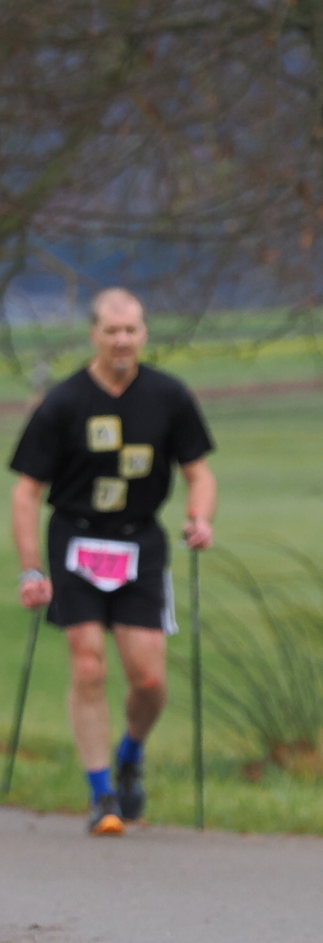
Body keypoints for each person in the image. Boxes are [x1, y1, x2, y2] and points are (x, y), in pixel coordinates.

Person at [9, 288, 216, 835]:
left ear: (144, 334)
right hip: (77, 541)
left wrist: (199, 517)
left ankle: (130, 755)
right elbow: (26, 492)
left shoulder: (169, 396)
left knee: (149, 679)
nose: (122, 340)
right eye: (111, 331)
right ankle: (101, 794)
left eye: (131, 330)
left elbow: (199, 472)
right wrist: (31, 569)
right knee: (88, 665)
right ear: (94, 335)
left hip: (139, 543)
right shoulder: (63, 402)